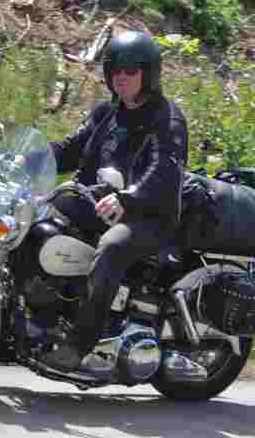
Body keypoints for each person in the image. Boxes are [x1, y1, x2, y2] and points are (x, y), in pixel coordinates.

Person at [39, 30, 188, 373]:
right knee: (37, 220)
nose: (122, 76)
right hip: (99, 203)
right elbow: (71, 149)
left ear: (148, 73)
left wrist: (128, 199)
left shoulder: (167, 119)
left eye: (131, 70)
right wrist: (33, 158)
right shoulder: (106, 112)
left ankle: (80, 345)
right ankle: (40, 314)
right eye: (116, 69)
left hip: (147, 216)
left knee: (111, 247)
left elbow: (163, 172)